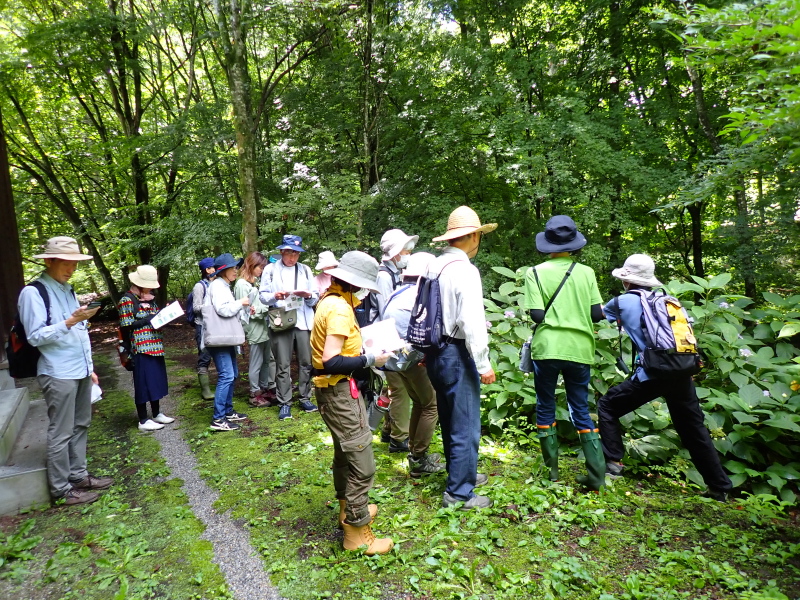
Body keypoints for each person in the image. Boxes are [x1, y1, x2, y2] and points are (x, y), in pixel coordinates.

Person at [598, 254, 733, 500]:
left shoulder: (621, 302)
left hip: (653, 372)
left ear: (626, 280)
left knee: (608, 405)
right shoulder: (668, 300)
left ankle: (613, 465)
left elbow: (595, 316)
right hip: (681, 370)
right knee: (693, 427)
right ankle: (719, 487)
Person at [17, 236, 113, 506]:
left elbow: (79, 331)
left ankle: (79, 475)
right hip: (57, 371)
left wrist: (90, 367)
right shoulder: (33, 293)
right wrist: (71, 320)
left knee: (81, 424)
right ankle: (61, 488)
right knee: (61, 431)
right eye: (67, 263)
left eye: (75, 263)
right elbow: (35, 336)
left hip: (79, 369)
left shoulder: (68, 289)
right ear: (49, 261)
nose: (72, 268)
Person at [310, 251, 393, 554]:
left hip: (335, 391)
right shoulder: (340, 310)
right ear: (355, 283)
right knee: (363, 462)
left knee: (345, 455)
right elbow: (330, 360)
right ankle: (357, 532)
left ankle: (348, 509)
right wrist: (372, 358)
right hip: (339, 392)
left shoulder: (331, 301)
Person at [522, 215, 606, 490]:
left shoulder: (534, 272)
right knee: (580, 407)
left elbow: (536, 315)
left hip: (547, 348)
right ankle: (596, 476)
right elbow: (596, 314)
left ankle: (551, 474)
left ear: (547, 244)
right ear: (573, 244)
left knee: (545, 405)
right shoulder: (587, 272)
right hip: (579, 348)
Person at [426, 206, 497, 510]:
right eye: (478, 235)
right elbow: (471, 322)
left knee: (449, 415)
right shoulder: (465, 270)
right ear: (470, 237)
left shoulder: (434, 266)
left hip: (433, 351)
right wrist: (483, 363)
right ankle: (458, 493)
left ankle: (461, 474)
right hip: (457, 351)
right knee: (466, 423)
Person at [381, 252, 445, 477]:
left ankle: (415, 453)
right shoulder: (419, 296)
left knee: (419, 402)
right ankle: (419, 459)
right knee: (431, 405)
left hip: (397, 360)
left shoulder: (398, 293)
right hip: (413, 359)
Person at [259, 235, 319, 421]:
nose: (293, 257)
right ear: (281, 252)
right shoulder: (270, 270)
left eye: (296, 253)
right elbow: (263, 296)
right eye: (289, 253)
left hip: (303, 321)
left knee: (306, 362)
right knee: (282, 364)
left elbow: (315, 297)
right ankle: (285, 402)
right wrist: (275, 296)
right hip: (281, 321)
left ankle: (305, 397)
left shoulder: (306, 271)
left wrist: (308, 295)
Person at [373, 228, 419, 447]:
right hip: (388, 340)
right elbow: (385, 314)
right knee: (399, 390)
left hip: (392, 340)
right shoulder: (383, 276)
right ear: (395, 253)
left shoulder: (393, 273)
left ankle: (388, 429)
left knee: (392, 387)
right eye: (405, 249)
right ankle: (399, 438)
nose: (408, 252)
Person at [117, 265, 175, 432]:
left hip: (156, 346)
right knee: (143, 383)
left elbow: (156, 317)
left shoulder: (150, 299)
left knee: (155, 380)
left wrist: (163, 316)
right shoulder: (127, 300)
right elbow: (126, 325)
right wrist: (148, 318)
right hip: (140, 348)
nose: (151, 287)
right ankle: (143, 419)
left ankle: (156, 413)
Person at [206, 253, 250, 431]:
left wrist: (244, 307)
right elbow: (223, 310)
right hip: (220, 339)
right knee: (227, 375)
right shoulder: (217, 286)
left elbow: (230, 311)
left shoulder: (223, 285)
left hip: (225, 337)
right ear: (224, 270)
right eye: (233, 268)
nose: (236, 271)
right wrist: (241, 302)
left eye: (236, 267)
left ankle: (228, 411)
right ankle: (218, 419)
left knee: (233, 374)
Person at [234, 252, 274, 408]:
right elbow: (245, 311)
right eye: (260, 267)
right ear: (252, 265)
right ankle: (254, 392)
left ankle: (264, 389)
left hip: (264, 328)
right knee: (256, 362)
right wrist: (264, 309)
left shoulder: (253, 283)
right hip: (254, 329)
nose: (262, 270)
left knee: (265, 361)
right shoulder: (241, 285)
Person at [192, 257, 216, 401]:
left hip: (217, 325)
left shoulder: (218, 284)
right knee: (205, 356)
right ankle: (205, 390)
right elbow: (196, 307)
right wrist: (212, 308)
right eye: (213, 267)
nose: (216, 270)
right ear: (207, 270)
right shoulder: (199, 286)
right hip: (202, 326)